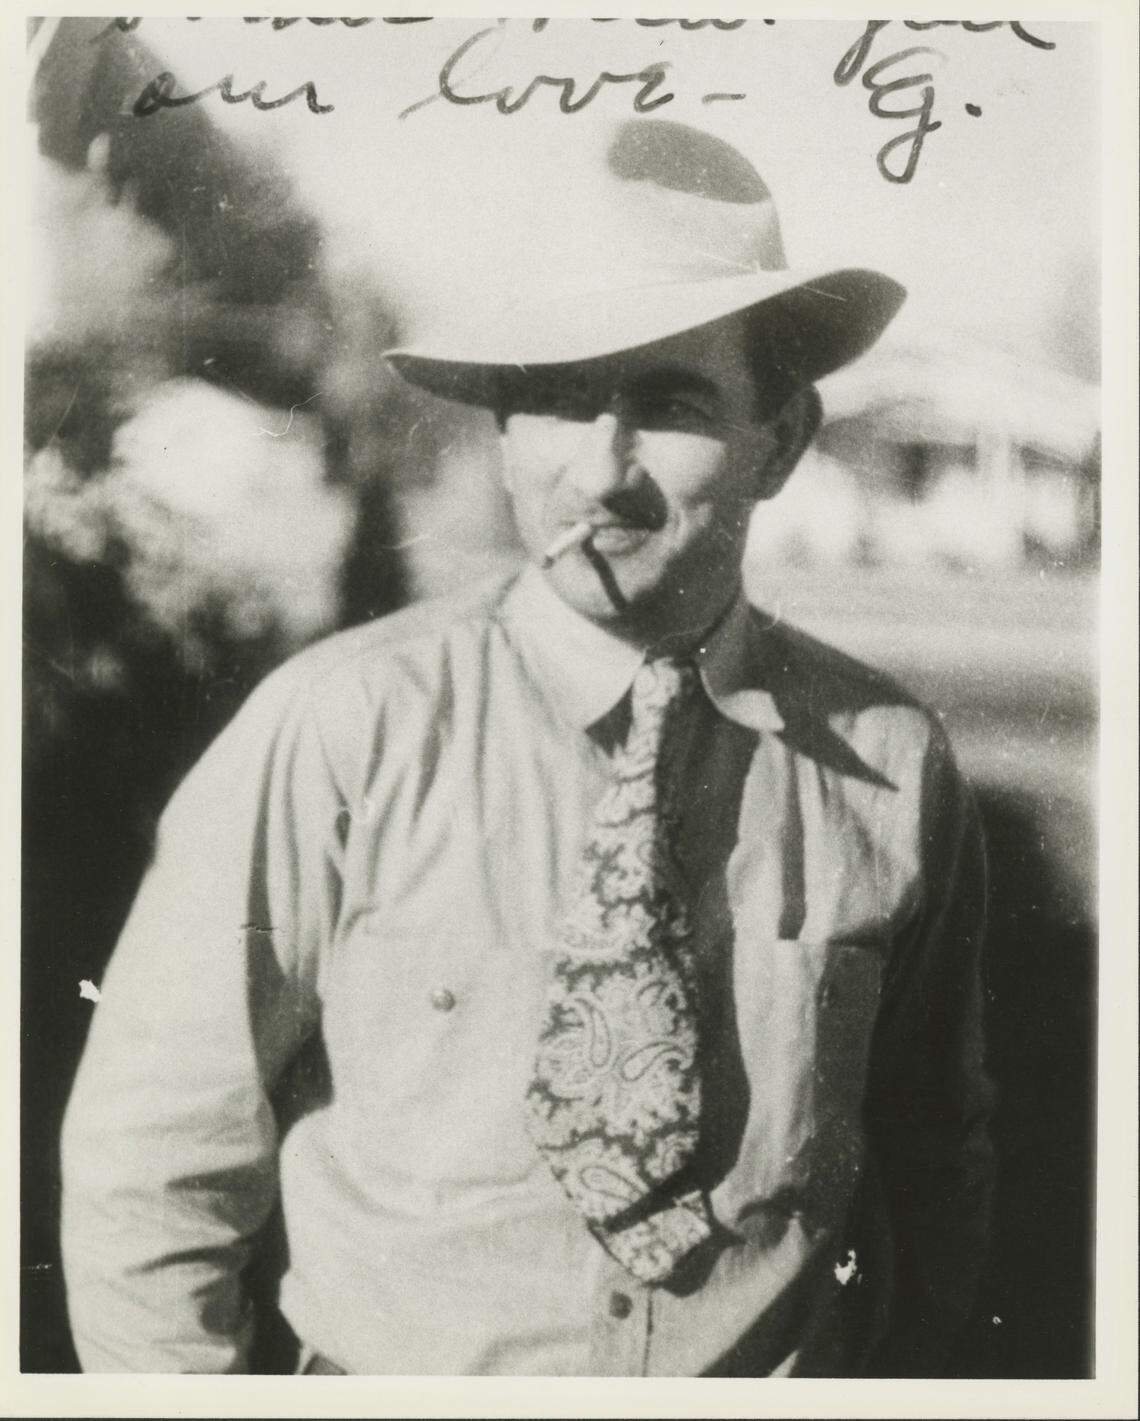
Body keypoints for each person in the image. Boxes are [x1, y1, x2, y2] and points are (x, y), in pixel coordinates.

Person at [60, 118, 994, 1377]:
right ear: (502, 432)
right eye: (557, 400)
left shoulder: (887, 765)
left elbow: (937, 1168)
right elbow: (149, 1175)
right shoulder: (345, 732)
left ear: (780, 439)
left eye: (668, 403)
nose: (600, 471)